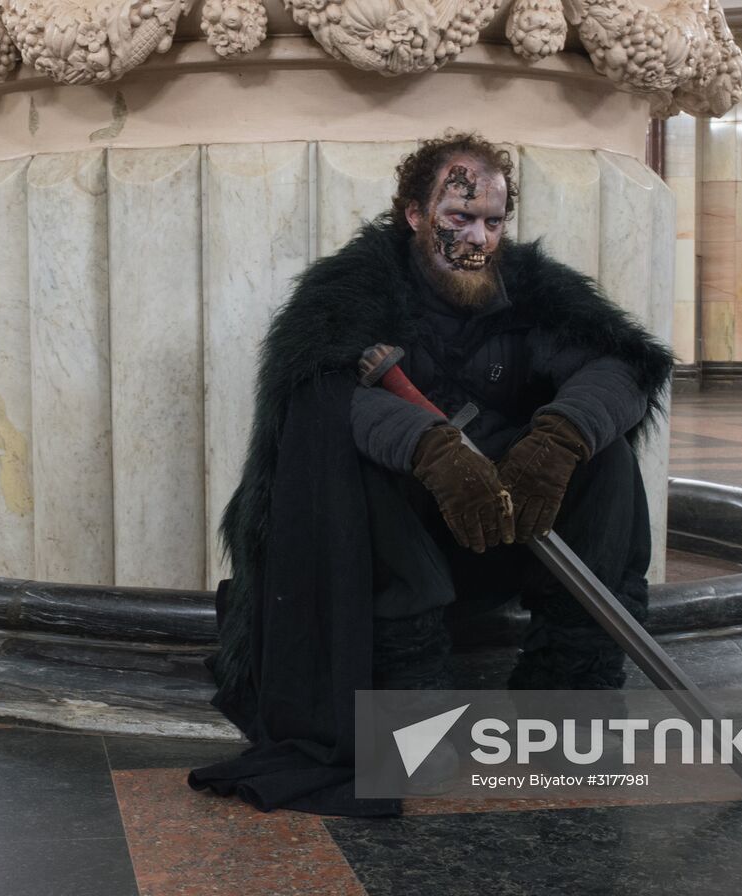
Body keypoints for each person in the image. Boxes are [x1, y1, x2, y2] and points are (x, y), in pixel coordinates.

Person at [188, 134, 674, 816]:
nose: (477, 238)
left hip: (504, 528)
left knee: (609, 458)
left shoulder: (532, 290)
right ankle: (414, 710)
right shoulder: (350, 294)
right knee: (354, 465)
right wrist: (425, 446)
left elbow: (621, 366)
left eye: (493, 222)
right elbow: (319, 409)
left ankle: (571, 697)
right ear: (415, 214)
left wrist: (558, 439)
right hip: (389, 550)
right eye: (459, 218)